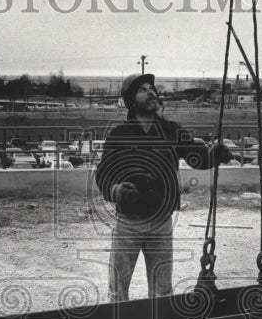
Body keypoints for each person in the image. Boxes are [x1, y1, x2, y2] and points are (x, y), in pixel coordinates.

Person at [95, 73, 233, 302]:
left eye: (152, 88)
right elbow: (104, 174)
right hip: (128, 223)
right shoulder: (119, 135)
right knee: (118, 290)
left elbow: (196, 157)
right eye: (142, 90)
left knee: (163, 292)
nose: (151, 92)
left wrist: (214, 154)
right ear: (131, 101)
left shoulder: (171, 130)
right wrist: (116, 191)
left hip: (161, 222)